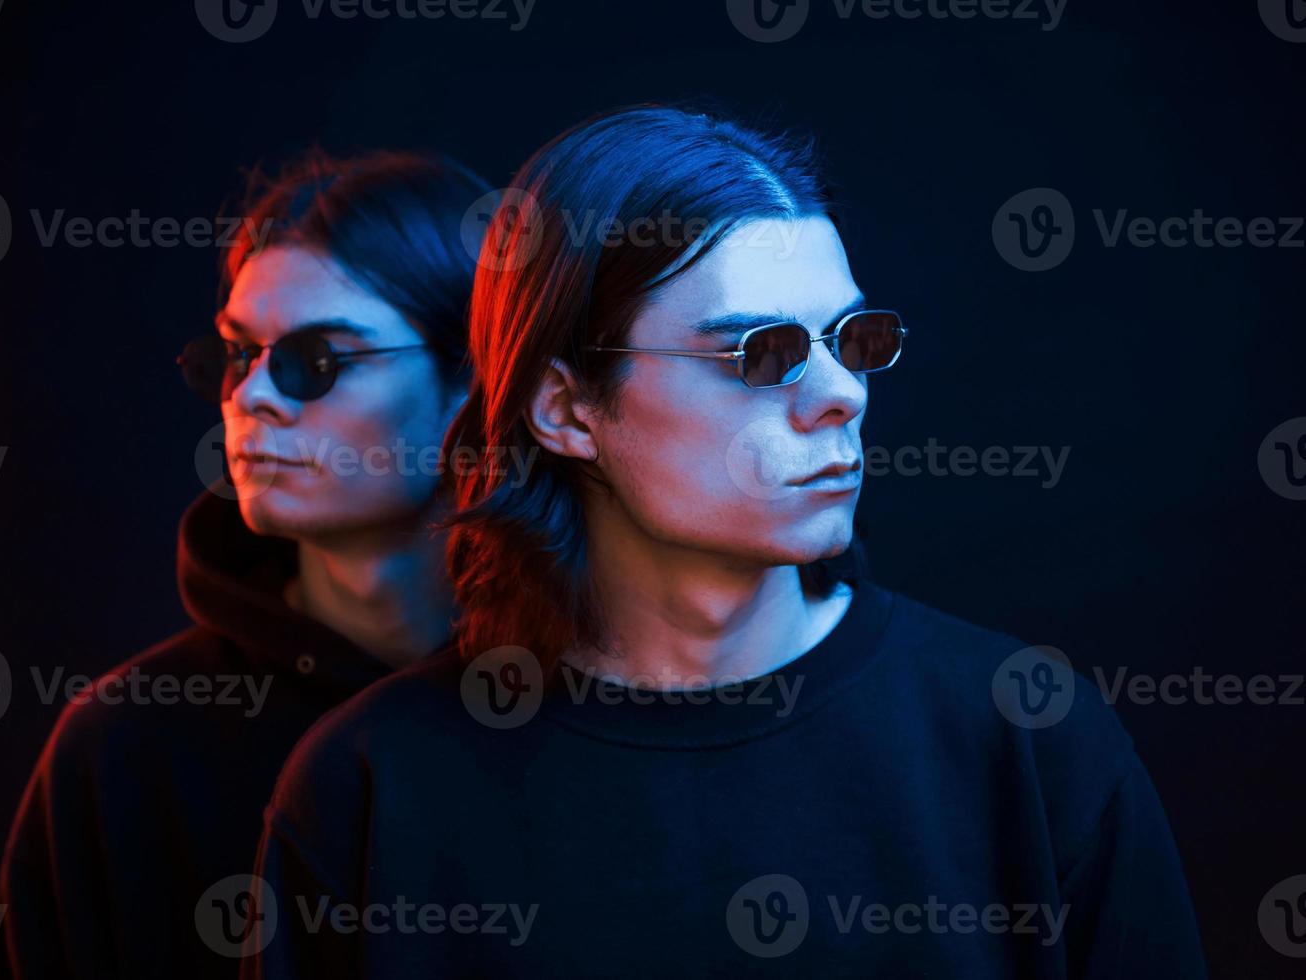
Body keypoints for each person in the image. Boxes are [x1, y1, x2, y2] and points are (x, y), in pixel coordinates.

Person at [248, 105, 1207, 977]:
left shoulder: (1023, 738)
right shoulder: (374, 787)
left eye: (852, 338)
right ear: (568, 408)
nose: (843, 393)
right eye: (761, 353)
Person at [0, 149, 491, 979]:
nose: (253, 396)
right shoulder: (129, 748)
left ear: (473, 384)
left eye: (317, 359)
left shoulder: (585, 703)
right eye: (238, 354)